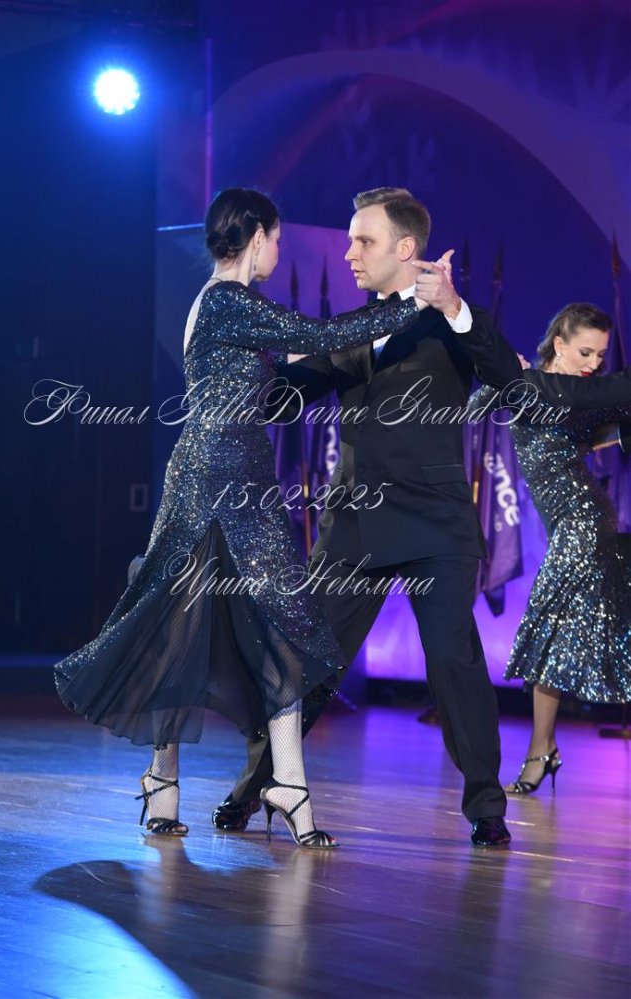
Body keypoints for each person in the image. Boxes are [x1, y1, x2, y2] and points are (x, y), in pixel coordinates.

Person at [54, 188, 432, 848]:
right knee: (179, 624)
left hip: (241, 478)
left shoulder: (220, 304)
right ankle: (168, 776)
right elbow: (321, 336)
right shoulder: (230, 300)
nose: (279, 251)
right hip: (211, 479)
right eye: (277, 239)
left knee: (283, 620)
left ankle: (284, 781)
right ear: (257, 236)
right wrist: (409, 303)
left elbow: (283, 369)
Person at [213, 187, 528, 848]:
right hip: (355, 522)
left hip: (435, 523)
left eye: (364, 240)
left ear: (405, 248)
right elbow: (288, 396)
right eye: (351, 239)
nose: (350, 252)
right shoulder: (352, 326)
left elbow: (507, 376)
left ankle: (486, 804)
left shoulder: (453, 322)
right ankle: (257, 785)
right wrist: (243, 373)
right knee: (308, 662)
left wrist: (457, 308)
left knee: (453, 661)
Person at [471, 304, 631, 794]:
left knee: (551, 635)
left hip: (586, 524)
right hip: (572, 525)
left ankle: (541, 751)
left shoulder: (584, 395)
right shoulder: (533, 385)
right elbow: (476, 404)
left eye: (600, 356)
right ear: (559, 344)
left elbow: (609, 424)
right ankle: (544, 749)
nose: (593, 363)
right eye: (585, 352)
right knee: (555, 638)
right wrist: (505, 374)